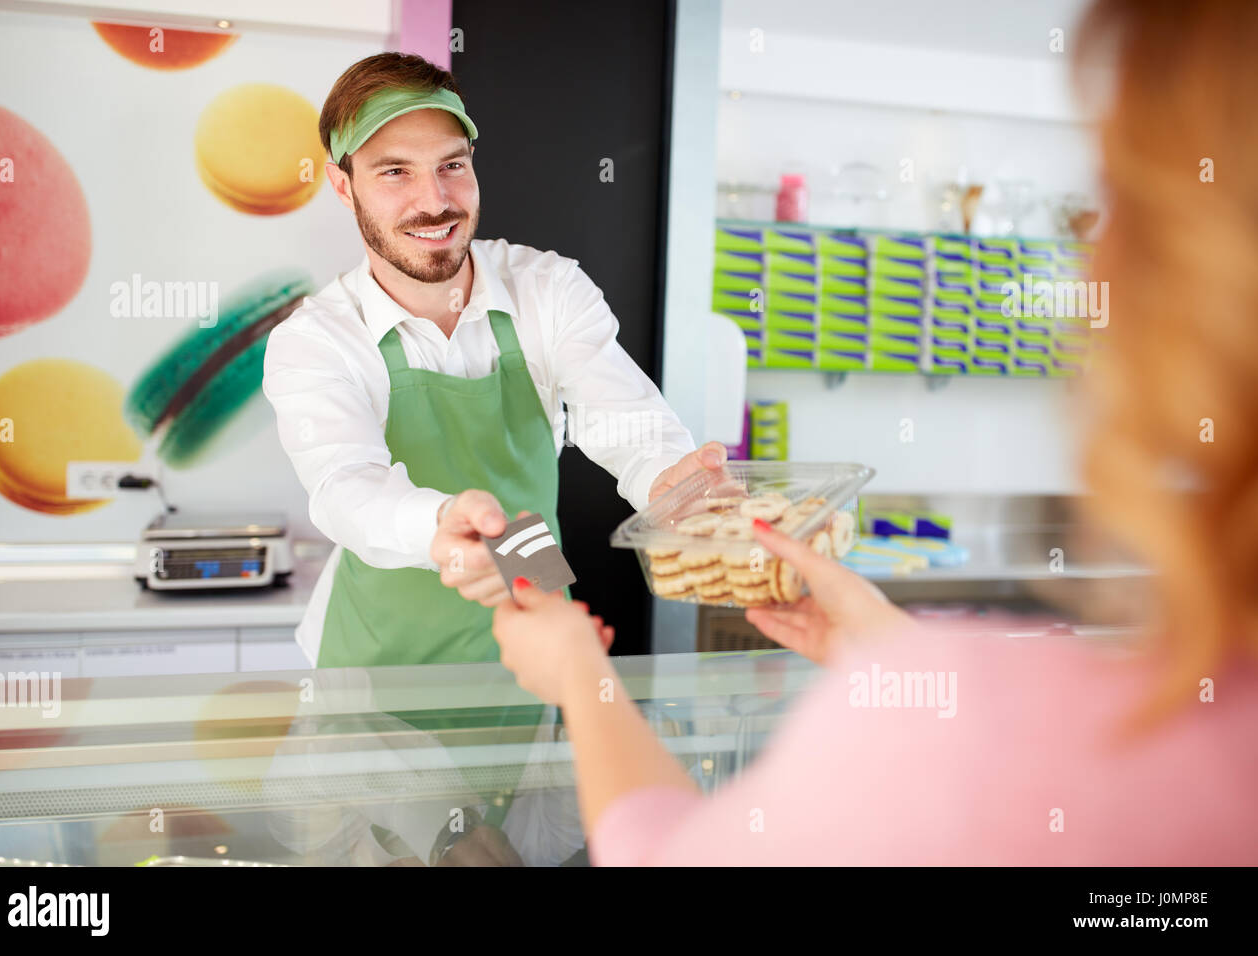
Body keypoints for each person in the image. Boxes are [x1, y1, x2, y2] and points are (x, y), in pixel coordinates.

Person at [491, 0, 1258, 865]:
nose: (1094, 254)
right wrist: (893, 647)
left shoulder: (987, 740)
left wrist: (581, 681)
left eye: (1117, 195)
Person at [263, 53, 721, 669]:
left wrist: (667, 477)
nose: (436, 201)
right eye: (395, 172)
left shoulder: (548, 289)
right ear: (343, 186)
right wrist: (444, 523)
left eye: (452, 165)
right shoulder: (317, 338)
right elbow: (347, 488)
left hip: (536, 628)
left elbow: (625, 422)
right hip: (376, 666)